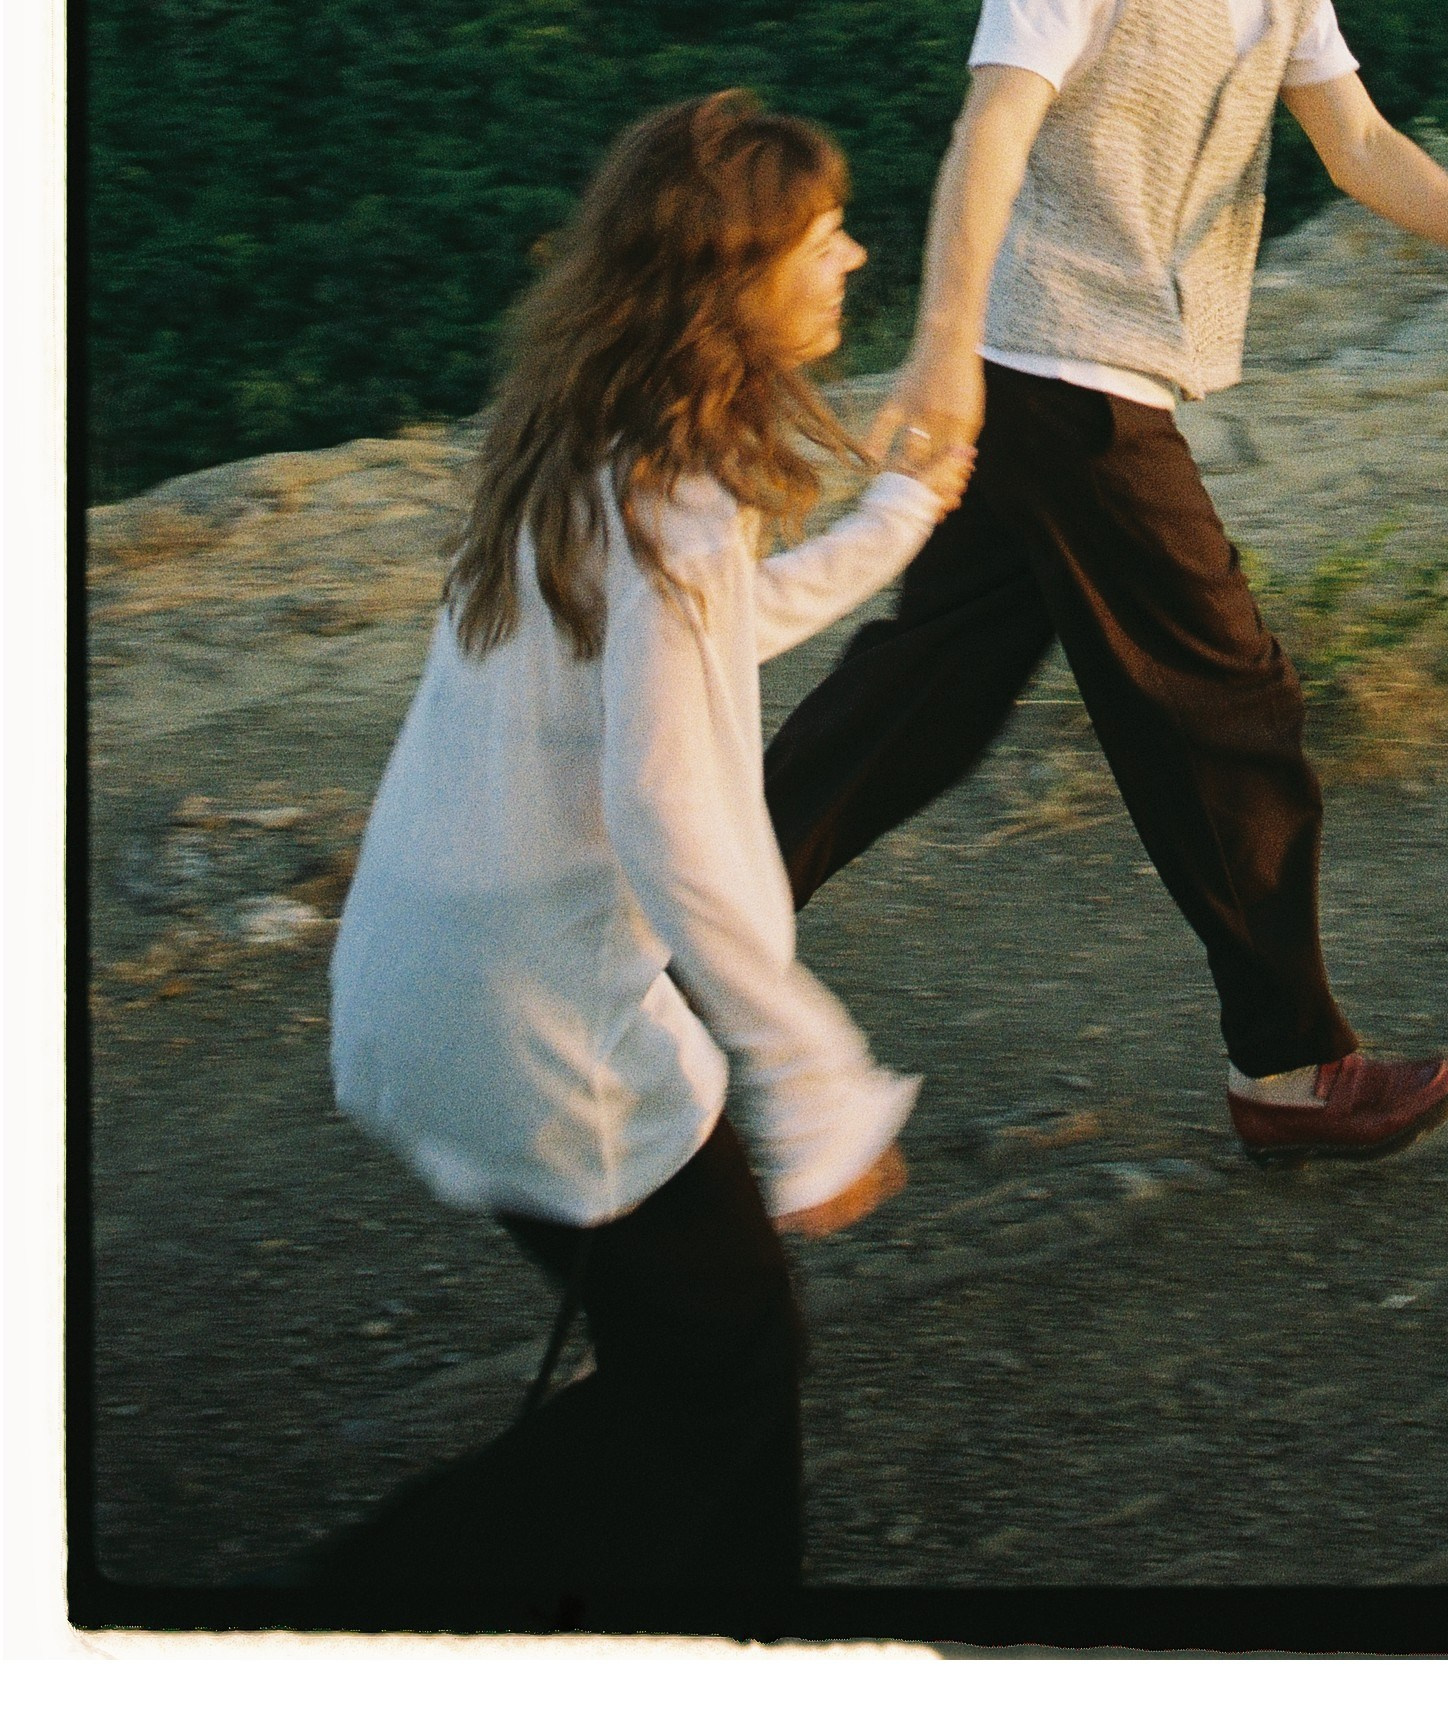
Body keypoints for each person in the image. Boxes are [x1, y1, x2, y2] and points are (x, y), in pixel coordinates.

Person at [763, 0, 1448, 1171]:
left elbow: (1353, 142)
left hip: (1094, 372)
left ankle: (671, 928)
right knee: (1230, 706)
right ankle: (1289, 1066)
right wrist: (941, 346)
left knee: (917, 701)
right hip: (1053, 369)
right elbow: (989, 135)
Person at [311, 90, 972, 1628]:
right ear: (728, 279)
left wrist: (901, 509)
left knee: (710, 1359)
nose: (855, 256)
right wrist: (812, 1071)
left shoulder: (587, 433)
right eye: (822, 238)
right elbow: (675, 805)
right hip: (535, 1019)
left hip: (426, 974)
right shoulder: (675, 488)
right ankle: (346, 1611)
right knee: (720, 1373)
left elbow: (700, 644)